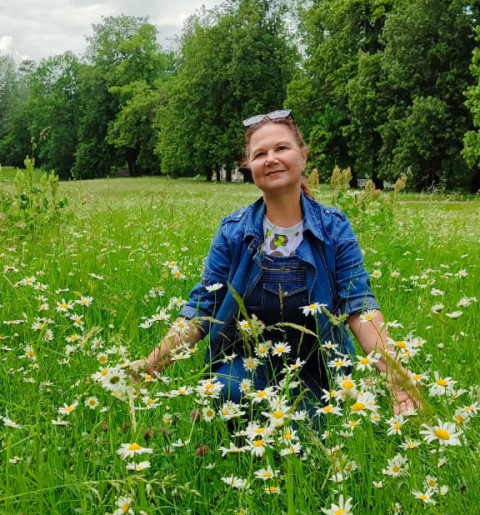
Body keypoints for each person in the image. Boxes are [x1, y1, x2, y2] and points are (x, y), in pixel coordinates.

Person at [141, 110, 420, 416]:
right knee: (228, 391)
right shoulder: (233, 231)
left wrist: (395, 374)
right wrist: (151, 365)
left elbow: (360, 307)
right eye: (260, 154)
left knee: (316, 432)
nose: (271, 158)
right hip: (246, 363)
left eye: (281, 148)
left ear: (303, 156)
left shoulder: (335, 228)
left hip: (320, 366)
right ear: (250, 167)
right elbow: (204, 308)